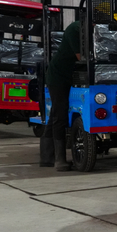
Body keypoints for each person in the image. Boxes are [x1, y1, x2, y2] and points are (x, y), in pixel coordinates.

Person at [40, 19, 81, 171]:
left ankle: (46, 158)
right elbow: (80, 57)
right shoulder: (75, 29)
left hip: (64, 74)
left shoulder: (82, 28)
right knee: (60, 115)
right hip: (58, 76)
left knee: (55, 115)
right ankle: (60, 160)